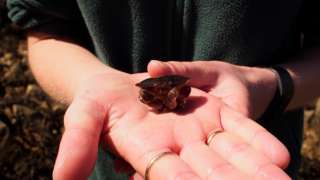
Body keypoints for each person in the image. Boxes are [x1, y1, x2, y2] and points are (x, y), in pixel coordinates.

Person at [6, 0, 320, 179]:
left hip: (250, 162)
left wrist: (274, 86)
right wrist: (89, 82)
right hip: (117, 162)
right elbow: (46, 30)